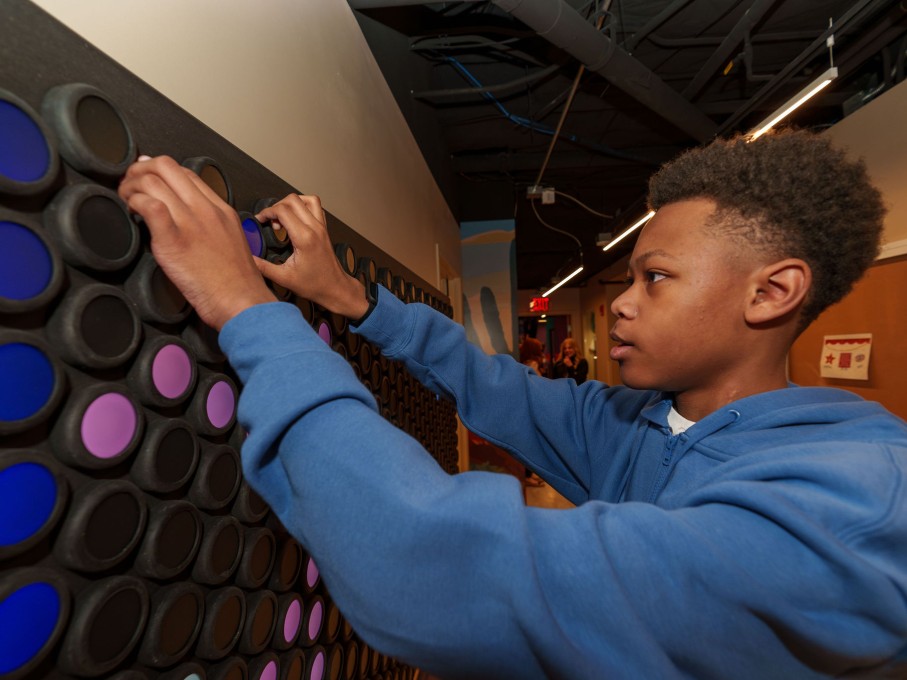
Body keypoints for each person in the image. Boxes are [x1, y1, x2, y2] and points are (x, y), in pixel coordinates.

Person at [118, 129, 907, 679]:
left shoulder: (848, 500)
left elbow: (432, 574)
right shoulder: (645, 418)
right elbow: (497, 387)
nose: (621, 307)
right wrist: (355, 301)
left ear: (771, 292)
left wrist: (247, 313)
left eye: (653, 278)